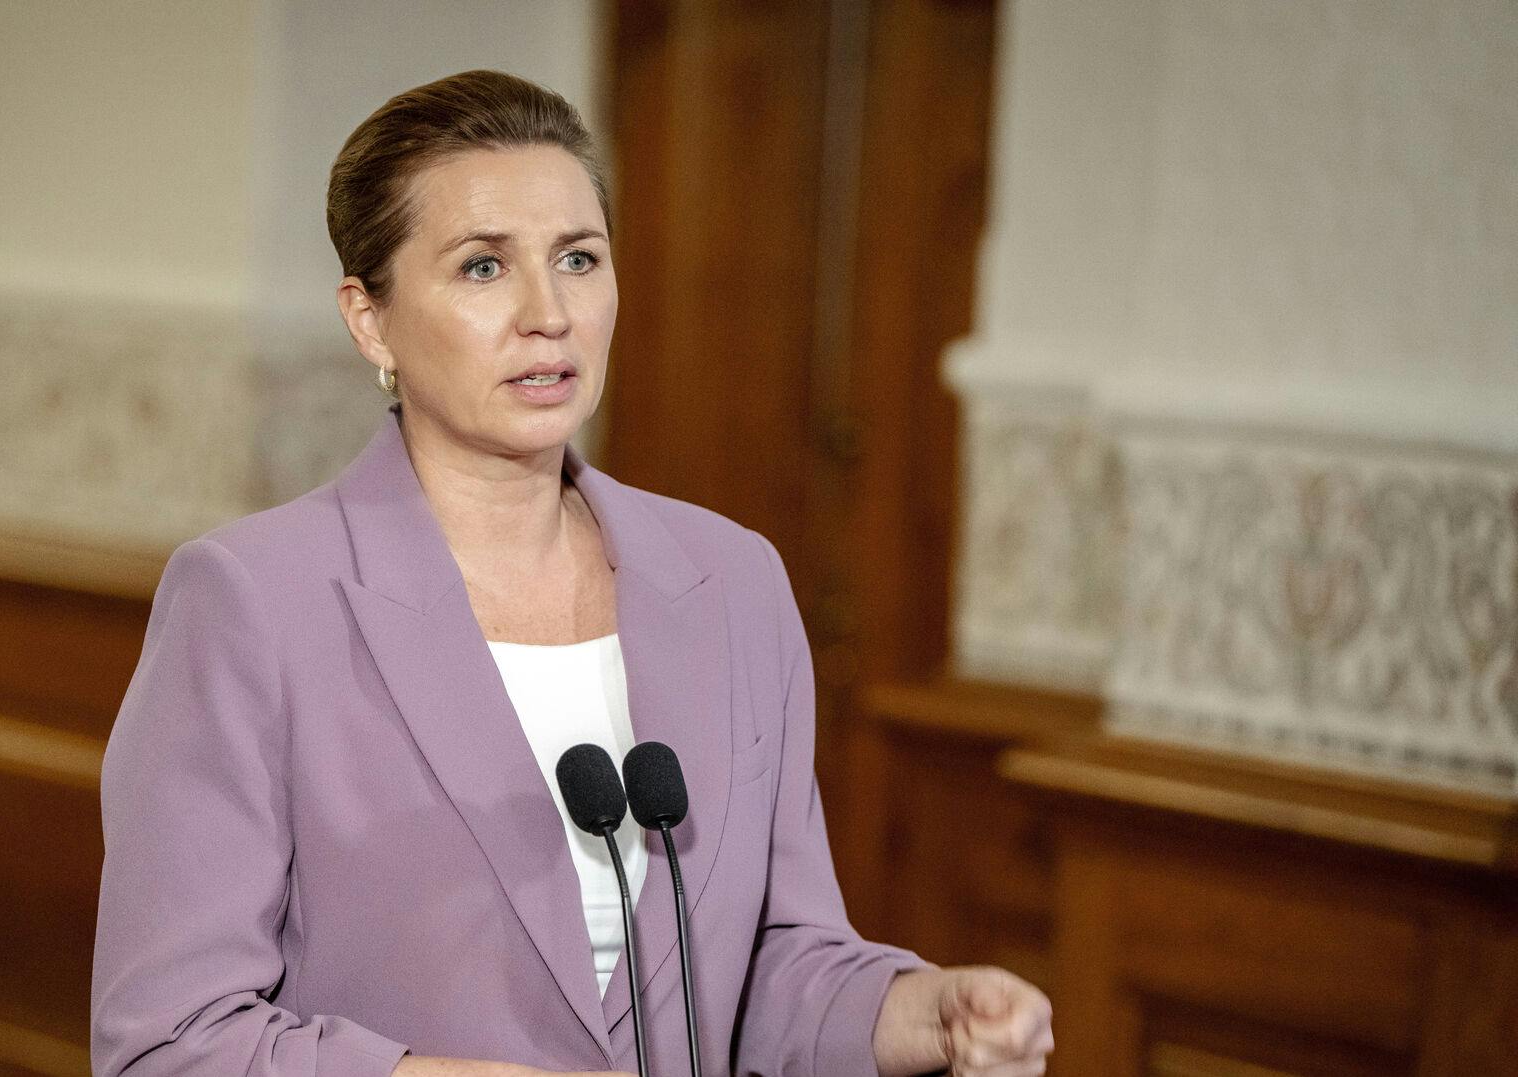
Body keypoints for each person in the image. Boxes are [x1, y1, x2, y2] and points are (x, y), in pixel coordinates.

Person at [91, 70, 1053, 1077]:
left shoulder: (734, 584)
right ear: (369, 318)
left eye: (578, 258)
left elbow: (765, 967)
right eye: (481, 268)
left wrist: (918, 1013)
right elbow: (171, 1041)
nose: (548, 313)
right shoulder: (253, 602)